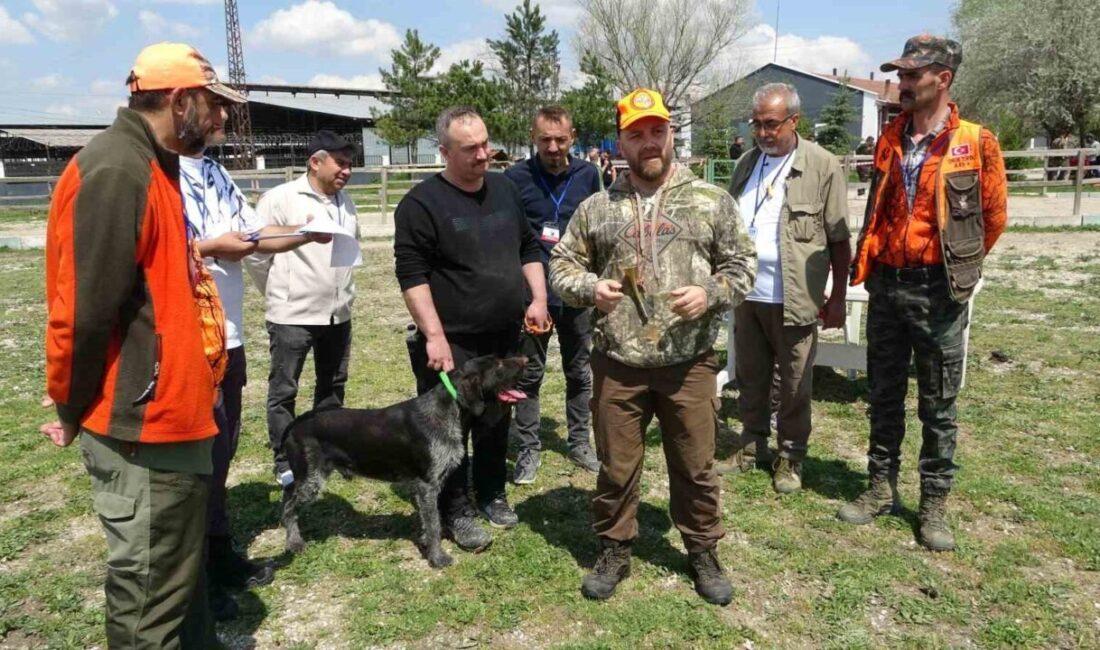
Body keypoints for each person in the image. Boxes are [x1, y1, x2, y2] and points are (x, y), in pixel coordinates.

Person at [40, 42, 244, 648]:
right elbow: (81, 311)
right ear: (180, 100)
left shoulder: (155, 163)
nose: (223, 118)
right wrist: (70, 406)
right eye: (214, 105)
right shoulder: (117, 169)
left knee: (180, 589)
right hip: (144, 430)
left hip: (176, 419)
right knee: (149, 601)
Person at [550, 88, 757, 605]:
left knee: (695, 465)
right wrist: (588, 289)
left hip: (689, 363)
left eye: (656, 131)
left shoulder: (712, 202)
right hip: (618, 362)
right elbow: (562, 266)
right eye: (636, 134)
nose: (648, 143)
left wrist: (708, 293)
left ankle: (702, 549)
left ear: (670, 134)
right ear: (620, 141)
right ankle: (615, 547)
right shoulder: (597, 207)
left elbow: (744, 267)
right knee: (616, 465)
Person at [839, 34, 1008, 552]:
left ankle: (933, 504)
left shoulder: (976, 143)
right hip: (888, 285)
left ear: (944, 78)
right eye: (900, 75)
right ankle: (879, 489)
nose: (903, 84)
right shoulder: (890, 137)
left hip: (939, 291)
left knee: (938, 405)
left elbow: (993, 217)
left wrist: (956, 266)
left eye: (913, 75)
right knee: (883, 394)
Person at [181, 121, 333, 616]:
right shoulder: (153, 175)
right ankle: (191, 582)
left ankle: (219, 559)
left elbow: (253, 233)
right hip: (184, 342)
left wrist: (307, 233)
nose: (222, 120)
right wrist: (207, 249)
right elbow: (148, 253)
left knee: (220, 454)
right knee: (192, 466)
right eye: (215, 107)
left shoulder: (216, 172)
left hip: (226, 337)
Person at [394, 106, 548, 551]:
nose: (483, 155)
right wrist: (435, 335)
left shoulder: (505, 188)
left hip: (503, 332)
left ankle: (492, 490)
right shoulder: (421, 204)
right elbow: (412, 274)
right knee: (450, 428)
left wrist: (536, 298)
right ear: (443, 151)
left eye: (485, 144)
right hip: (453, 339)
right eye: (470, 149)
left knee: (497, 417)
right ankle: (456, 507)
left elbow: (528, 245)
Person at [716, 83, 851, 494]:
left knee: (794, 384)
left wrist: (839, 297)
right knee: (751, 376)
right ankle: (752, 443)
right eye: (756, 123)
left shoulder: (823, 166)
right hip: (747, 295)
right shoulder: (746, 163)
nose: (762, 132)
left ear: (794, 121)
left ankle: (791, 456)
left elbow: (839, 240)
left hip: (794, 297)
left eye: (771, 124)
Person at [247, 130, 361, 487]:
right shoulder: (281, 198)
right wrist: (279, 292)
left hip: (337, 314)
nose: (347, 171)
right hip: (291, 316)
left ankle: (329, 451)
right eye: (340, 163)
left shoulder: (347, 203)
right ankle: (285, 459)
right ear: (315, 161)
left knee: (332, 387)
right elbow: (256, 251)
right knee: (284, 390)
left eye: (350, 165)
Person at [503, 105, 603, 484]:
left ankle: (579, 442)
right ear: (534, 137)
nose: (553, 146)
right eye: (545, 139)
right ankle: (528, 448)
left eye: (560, 139)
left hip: (577, 292)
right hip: (534, 295)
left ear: (572, 137)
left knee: (580, 372)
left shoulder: (588, 174)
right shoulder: (515, 179)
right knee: (528, 373)